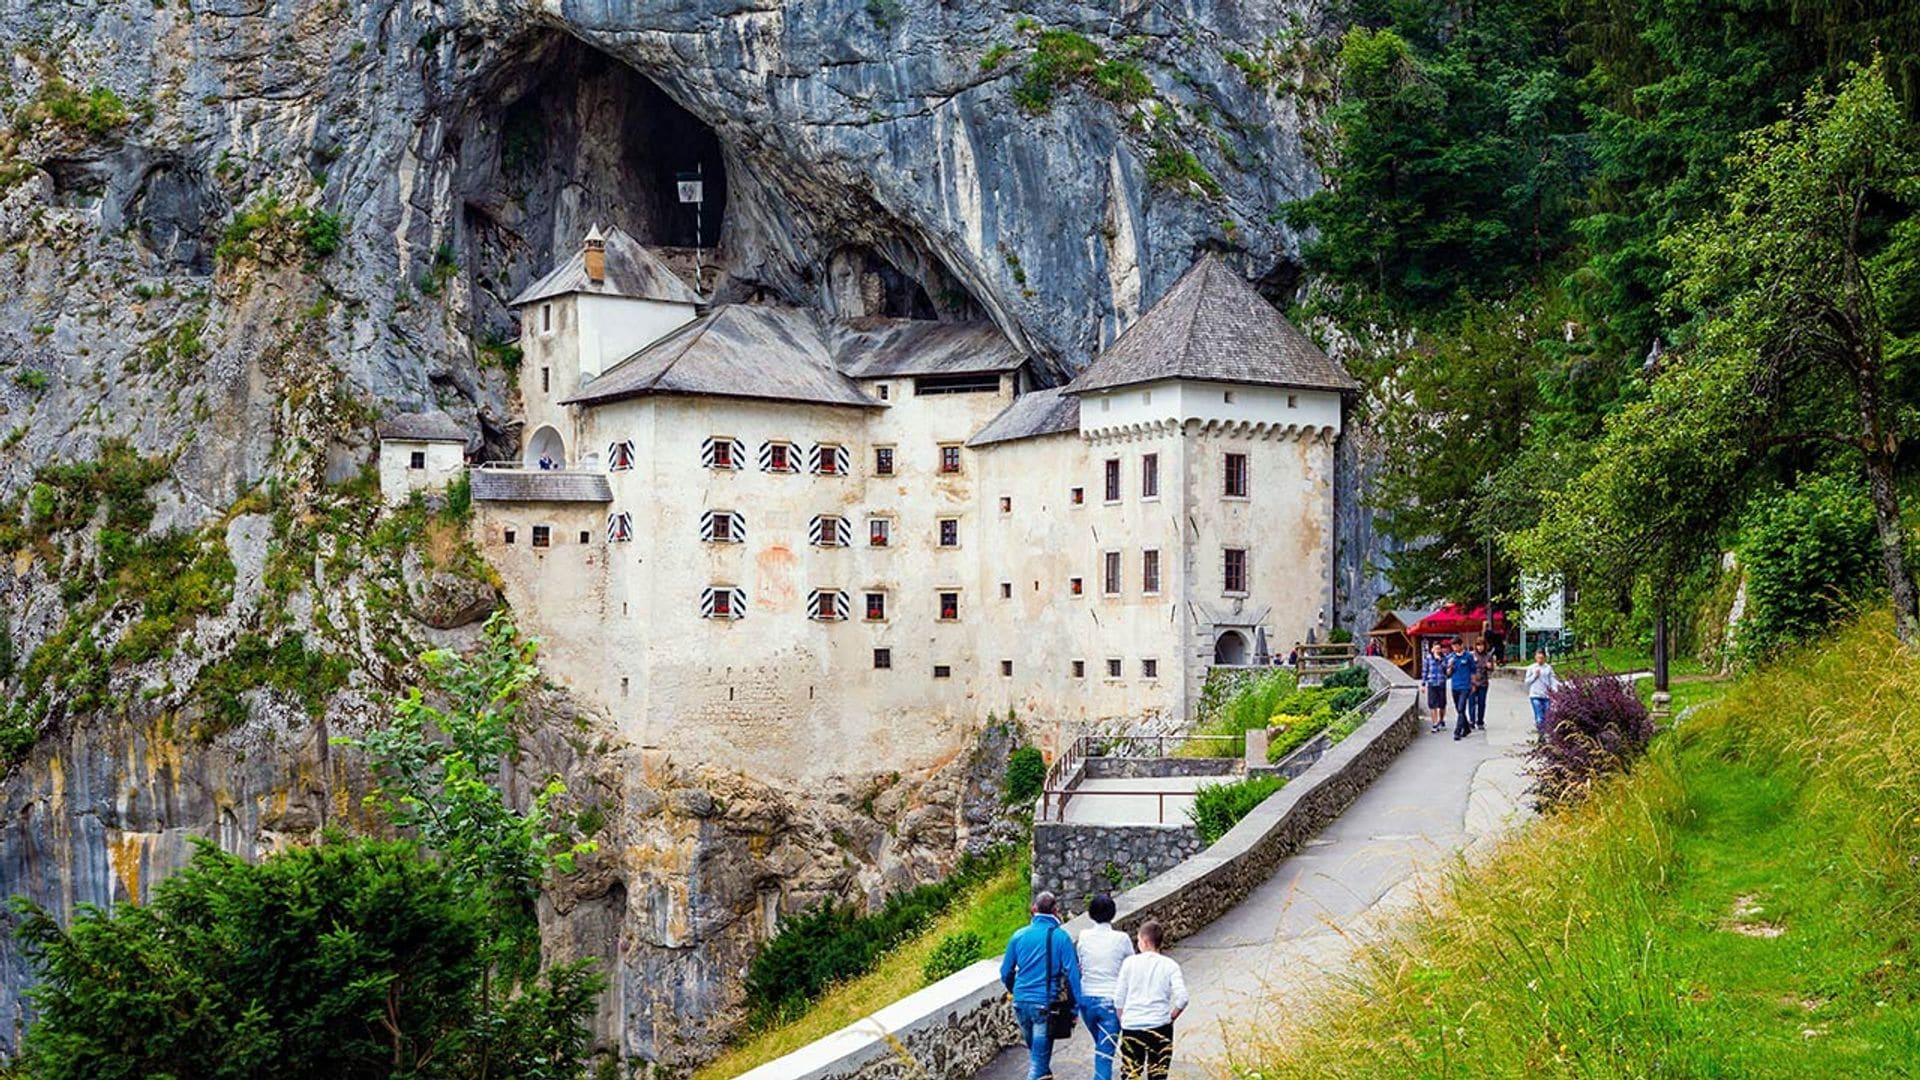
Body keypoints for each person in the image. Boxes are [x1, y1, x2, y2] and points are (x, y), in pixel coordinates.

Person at [999, 891, 1083, 1080]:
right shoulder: (1061, 937)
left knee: (1038, 1057)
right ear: (1056, 910)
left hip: (1020, 1003)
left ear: (1034, 909)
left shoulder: (1018, 936)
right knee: (1038, 1064)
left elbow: (1005, 972)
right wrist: (1076, 1008)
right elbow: (1073, 974)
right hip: (1044, 1005)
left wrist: (1016, 990)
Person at [1114, 919, 1187, 1080]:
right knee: (1158, 1074)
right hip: (1160, 1025)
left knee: (1130, 1074)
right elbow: (1182, 998)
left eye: (1138, 940)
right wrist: (1171, 1017)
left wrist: (1123, 1018)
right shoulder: (1170, 965)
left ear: (1145, 942)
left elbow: (1118, 998)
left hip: (1132, 1026)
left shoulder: (1129, 963)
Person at [1075, 894, 1132, 1080]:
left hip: (1087, 999)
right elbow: (1131, 966)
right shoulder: (1122, 939)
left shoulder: (1083, 936)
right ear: (1113, 914)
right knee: (1104, 1054)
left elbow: (1081, 962)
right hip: (1111, 999)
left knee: (1101, 1045)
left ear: (1090, 914)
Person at [1446, 637, 1478, 741]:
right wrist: (1450, 666)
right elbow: (1448, 674)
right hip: (1455, 686)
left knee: (1461, 708)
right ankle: (1467, 728)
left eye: (1456, 646)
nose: (1454, 648)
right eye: (1453, 646)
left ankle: (1457, 731)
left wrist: (1473, 684)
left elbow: (1473, 670)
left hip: (1465, 686)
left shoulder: (1468, 656)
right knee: (1459, 710)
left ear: (1461, 645)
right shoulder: (1451, 657)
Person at [1524, 649, 1558, 733]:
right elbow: (1526, 682)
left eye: (1542, 658)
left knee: (1547, 716)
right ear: (1535, 657)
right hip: (1535, 695)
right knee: (1539, 717)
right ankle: (1541, 734)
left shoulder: (1548, 668)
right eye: (1538, 657)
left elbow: (1552, 680)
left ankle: (1545, 732)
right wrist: (1535, 676)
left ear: (1545, 658)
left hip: (1546, 695)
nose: (1540, 659)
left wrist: (1555, 690)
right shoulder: (1532, 668)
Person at [1422, 640, 1448, 734]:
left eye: (1439, 648)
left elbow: (1446, 670)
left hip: (1441, 683)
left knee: (1442, 704)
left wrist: (1440, 661)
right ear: (1432, 649)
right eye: (1435, 648)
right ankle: (1434, 723)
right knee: (1432, 705)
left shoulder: (1444, 658)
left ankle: (1441, 720)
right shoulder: (1428, 658)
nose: (1437, 650)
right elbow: (1425, 671)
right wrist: (1423, 684)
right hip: (1432, 683)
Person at [1469, 642, 1492, 731]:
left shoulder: (1488, 656)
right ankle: (1472, 721)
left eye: (1482, 645)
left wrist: (1489, 666)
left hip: (1483, 682)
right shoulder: (1471, 655)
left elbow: (1492, 669)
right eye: (1478, 645)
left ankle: (1480, 721)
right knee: (1472, 702)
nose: (1480, 647)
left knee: (1481, 703)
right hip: (1473, 682)